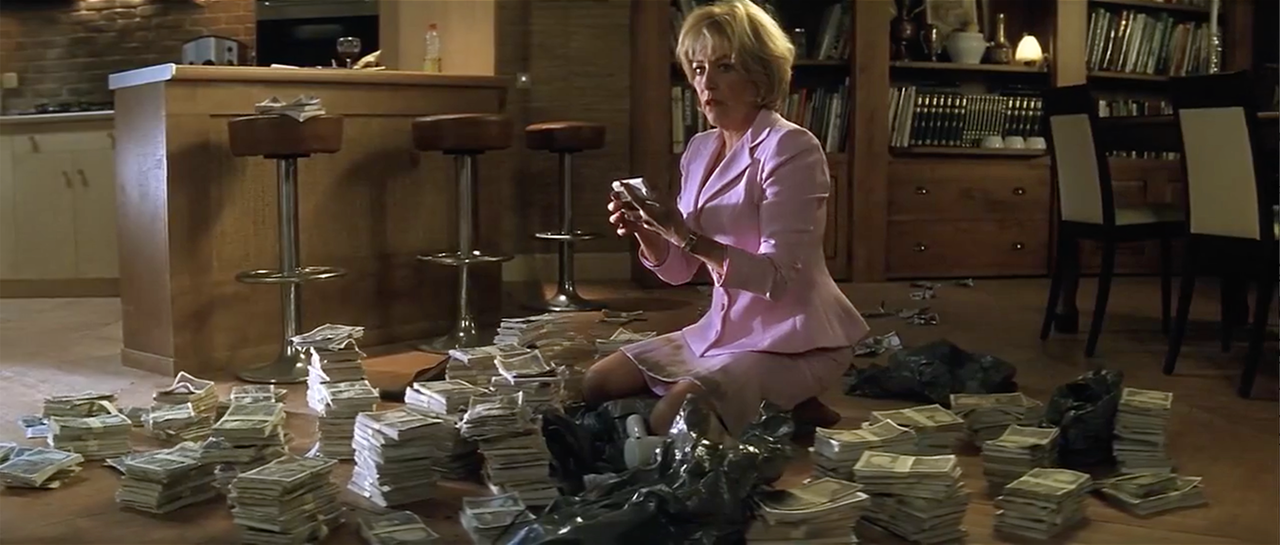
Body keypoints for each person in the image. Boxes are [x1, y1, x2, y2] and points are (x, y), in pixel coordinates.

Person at [585, 0, 869, 437]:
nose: (706, 82)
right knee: (597, 383)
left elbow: (777, 277)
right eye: (698, 69)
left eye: (724, 67)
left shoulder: (791, 147)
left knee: (671, 419)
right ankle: (782, 407)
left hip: (797, 340)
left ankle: (785, 398)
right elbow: (680, 272)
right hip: (723, 331)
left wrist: (682, 233)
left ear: (760, 76)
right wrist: (650, 233)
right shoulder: (700, 149)